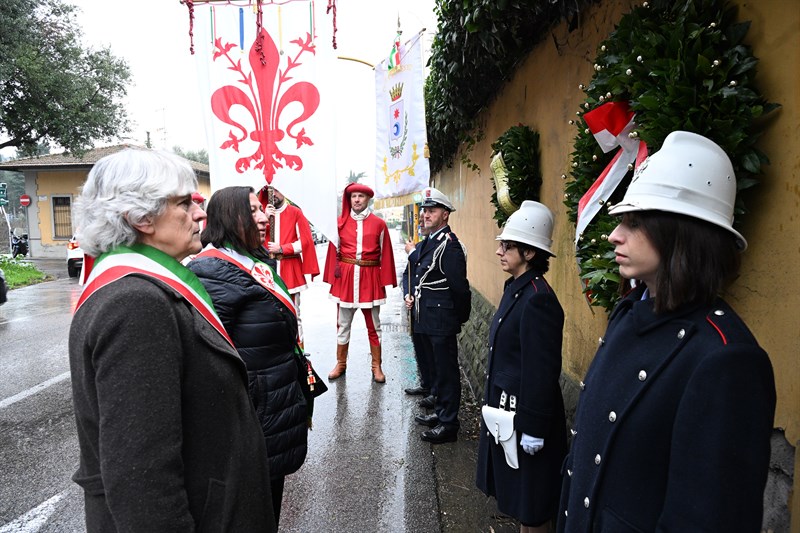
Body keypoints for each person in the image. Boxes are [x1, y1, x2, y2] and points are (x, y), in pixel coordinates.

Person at [557, 131, 776, 532]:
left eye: (635, 222)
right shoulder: (629, 312)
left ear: (681, 233)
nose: (614, 235)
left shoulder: (726, 358)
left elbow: (706, 518)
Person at [68, 149, 276, 532]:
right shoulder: (136, 303)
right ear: (140, 218)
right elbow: (142, 479)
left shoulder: (140, 289)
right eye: (184, 203)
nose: (200, 214)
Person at [187, 186, 309, 527]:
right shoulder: (211, 271)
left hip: (274, 404)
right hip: (255, 412)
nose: (264, 216)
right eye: (253, 210)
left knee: (268, 507)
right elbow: (212, 360)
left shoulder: (254, 261)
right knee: (251, 511)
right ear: (229, 217)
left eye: (262, 209)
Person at [475, 200, 567, 532]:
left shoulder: (538, 298)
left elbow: (541, 370)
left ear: (529, 253)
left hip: (527, 419)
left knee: (534, 507)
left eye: (508, 246)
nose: (499, 251)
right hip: (510, 412)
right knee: (522, 501)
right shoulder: (517, 289)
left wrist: (536, 428)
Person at [403, 187, 471, 444]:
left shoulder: (450, 246)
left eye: (431, 211)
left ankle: (448, 423)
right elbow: (414, 274)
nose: (425, 215)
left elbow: (459, 288)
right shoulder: (429, 241)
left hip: (441, 320)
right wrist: (409, 294)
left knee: (446, 372)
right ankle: (441, 412)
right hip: (424, 316)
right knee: (435, 369)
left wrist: (457, 318)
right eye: (424, 211)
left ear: (445, 215)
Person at [323, 182, 397, 383]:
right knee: (342, 324)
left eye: (361, 196)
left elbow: (386, 253)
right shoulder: (339, 223)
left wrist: (385, 281)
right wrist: (333, 278)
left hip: (369, 278)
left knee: (374, 325)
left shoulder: (379, 224)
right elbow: (333, 252)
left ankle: (376, 366)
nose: (356, 200)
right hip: (346, 279)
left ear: (368, 199)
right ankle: (341, 363)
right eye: (353, 196)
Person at [259, 186, 320, 349]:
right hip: (267, 270)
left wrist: (282, 248)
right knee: (268, 314)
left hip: (290, 269)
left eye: (276, 190)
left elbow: (305, 241)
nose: (273, 195)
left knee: (293, 313)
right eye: (270, 191)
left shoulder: (295, 212)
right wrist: (264, 218)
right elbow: (251, 239)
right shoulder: (261, 214)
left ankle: (299, 351)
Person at [403, 224, 434, 402]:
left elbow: (428, 268)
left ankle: (435, 392)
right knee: (420, 349)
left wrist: (412, 253)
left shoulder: (442, 246)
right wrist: (407, 294)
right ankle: (426, 384)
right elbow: (407, 275)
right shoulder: (419, 246)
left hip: (430, 310)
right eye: (421, 219)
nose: (422, 223)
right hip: (416, 310)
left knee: (432, 353)